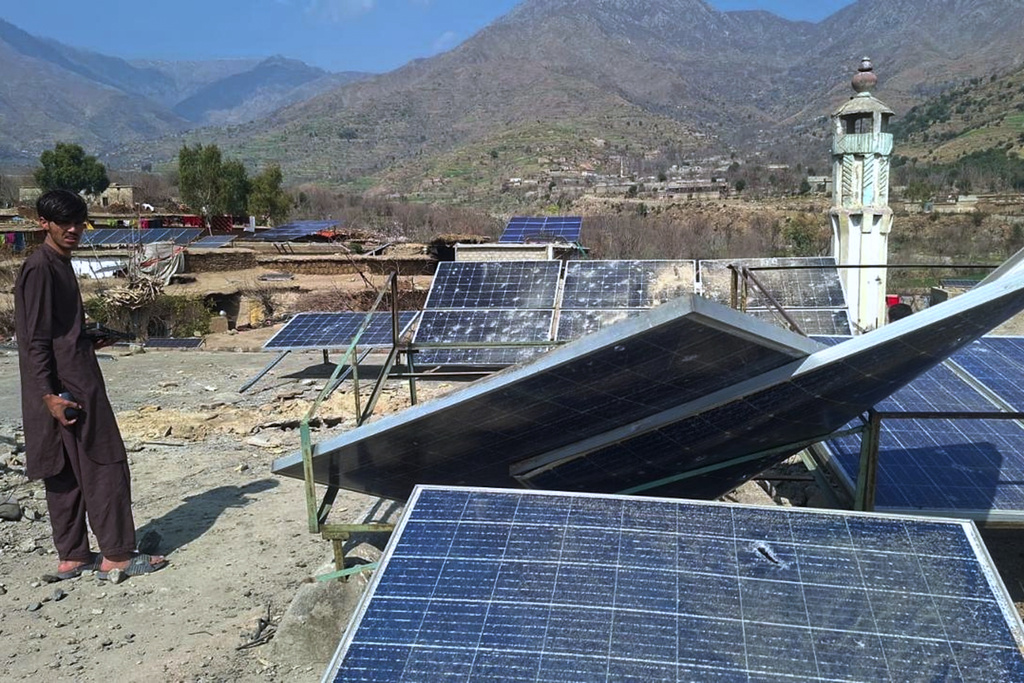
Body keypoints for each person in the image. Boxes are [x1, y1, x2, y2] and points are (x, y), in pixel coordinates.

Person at [15, 189, 167, 581]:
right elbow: (33, 338)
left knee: (64, 469)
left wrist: (85, 337)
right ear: (43, 224)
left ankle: (73, 556)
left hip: (61, 379)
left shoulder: (58, 264)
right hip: (67, 386)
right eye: (64, 222)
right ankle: (117, 554)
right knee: (104, 462)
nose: (73, 229)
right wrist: (49, 394)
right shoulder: (41, 267)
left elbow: (56, 331)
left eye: (78, 222)